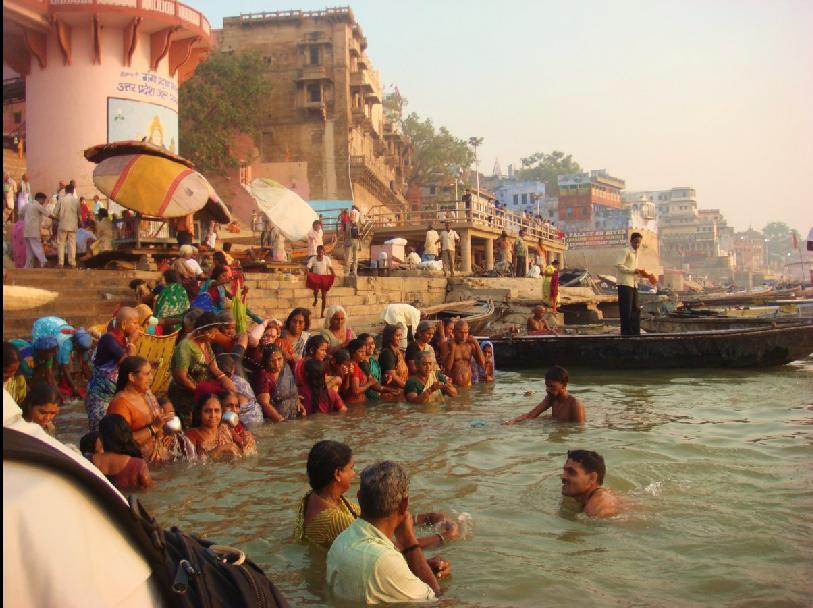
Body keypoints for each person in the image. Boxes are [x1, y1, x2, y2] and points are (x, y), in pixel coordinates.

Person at [3, 388, 166, 606]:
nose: (49, 419)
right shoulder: (133, 465)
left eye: (53, 413)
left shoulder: (85, 459)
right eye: (44, 413)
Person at [326, 461, 451, 603]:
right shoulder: (383, 561)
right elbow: (436, 598)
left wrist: (417, 567)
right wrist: (409, 540)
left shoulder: (341, 540)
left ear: (359, 498)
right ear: (404, 504)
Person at [297, 441, 456, 551]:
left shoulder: (318, 497)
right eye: (351, 468)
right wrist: (443, 537)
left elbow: (374, 517)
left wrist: (423, 519)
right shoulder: (334, 520)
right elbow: (387, 548)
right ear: (338, 474)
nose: (354, 474)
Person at [167, 312, 236, 421]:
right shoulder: (185, 346)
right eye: (210, 333)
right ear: (199, 330)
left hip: (201, 394)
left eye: (214, 333)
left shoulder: (205, 342)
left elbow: (212, 365)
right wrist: (199, 391)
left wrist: (223, 378)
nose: (213, 336)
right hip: (185, 397)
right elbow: (180, 376)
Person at [107, 356, 177, 463]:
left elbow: (159, 422)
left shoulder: (146, 394)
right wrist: (153, 428)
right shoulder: (120, 404)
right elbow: (121, 442)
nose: (151, 378)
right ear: (131, 377)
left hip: (158, 459)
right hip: (137, 465)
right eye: (147, 374)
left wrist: (168, 435)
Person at [85, 307, 140, 431]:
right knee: (101, 438)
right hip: (100, 399)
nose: (138, 327)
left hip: (114, 398)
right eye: (135, 323)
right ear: (124, 324)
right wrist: (132, 343)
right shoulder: (108, 339)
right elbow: (128, 364)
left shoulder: (123, 340)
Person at [91, 414, 154, 492]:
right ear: (127, 435)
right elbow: (149, 490)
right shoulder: (138, 465)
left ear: (100, 437)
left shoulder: (88, 460)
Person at [504, 366, 585, 424]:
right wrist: (512, 421)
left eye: (552, 386)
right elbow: (531, 415)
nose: (548, 389)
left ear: (564, 385)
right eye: (547, 385)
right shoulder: (551, 398)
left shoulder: (575, 404)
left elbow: (578, 431)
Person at [616, 232, 657, 336]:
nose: (637, 245)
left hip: (633, 284)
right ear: (631, 241)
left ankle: (635, 332)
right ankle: (626, 333)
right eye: (635, 242)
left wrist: (644, 275)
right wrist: (633, 271)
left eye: (639, 243)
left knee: (635, 309)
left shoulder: (635, 254)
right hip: (624, 284)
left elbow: (634, 271)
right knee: (626, 310)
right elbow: (618, 265)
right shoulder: (625, 251)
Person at [560, 450, 619, 518]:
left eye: (571, 472)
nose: (563, 477)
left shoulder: (599, 506)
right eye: (565, 470)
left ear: (592, 478)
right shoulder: (591, 497)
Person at [184, 392, 242, 461]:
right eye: (207, 411)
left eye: (217, 411)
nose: (213, 415)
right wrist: (219, 450)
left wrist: (248, 439)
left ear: (221, 412)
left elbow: (243, 447)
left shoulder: (226, 429)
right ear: (199, 414)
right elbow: (191, 463)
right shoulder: (191, 435)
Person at [253, 344, 303, 422]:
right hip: (272, 420)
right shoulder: (263, 375)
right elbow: (264, 403)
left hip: (291, 414)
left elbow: (292, 390)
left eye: (279, 359)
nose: (277, 364)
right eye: (272, 361)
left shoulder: (286, 368)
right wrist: (279, 419)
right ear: (266, 361)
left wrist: (296, 400)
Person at [444, 320, 484, 387]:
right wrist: (453, 349)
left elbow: (482, 363)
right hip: (453, 385)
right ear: (454, 332)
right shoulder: (448, 344)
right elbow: (447, 368)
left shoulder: (470, 345)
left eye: (466, 333)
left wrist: (476, 343)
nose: (464, 336)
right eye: (461, 333)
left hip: (467, 385)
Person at [218, 390, 257, 456]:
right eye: (228, 406)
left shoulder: (239, 425)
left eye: (237, 406)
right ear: (220, 408)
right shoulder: (218, 427)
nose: (234, 409)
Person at [55, 183, 82, 268]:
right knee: (72, 244)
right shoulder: (76, 201)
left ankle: (61, 263)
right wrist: (80, 222)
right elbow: (79, 214)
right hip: (73, 225)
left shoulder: (61, 200)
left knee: (61, 243)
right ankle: (72, 263)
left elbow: (55, 213)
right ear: (73, 190)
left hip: (62, 224)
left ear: (65, 191)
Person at [22, 192, 51, 268]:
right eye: (43, 200)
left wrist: (26, 220)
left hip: (26, 231)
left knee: (29, 251)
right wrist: (58, 219)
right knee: (37, 246)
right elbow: (48, 214)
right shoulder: (38, 205)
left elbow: (20, 213)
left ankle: (27, 267)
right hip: (34, 231)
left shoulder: (27, 205)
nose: (44, 202)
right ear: (39, 199)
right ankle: (44, 262)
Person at [306, 244, 336, 318]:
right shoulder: (313, 258)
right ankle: (316, 299)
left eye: (322, 252)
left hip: (324, 278)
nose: (320, 254)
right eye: (319, 252)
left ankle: (322, 313)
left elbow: (330, 268)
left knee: (324, 297)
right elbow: (308, 267)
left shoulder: (327, 259)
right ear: (317, 252)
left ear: (324, 252)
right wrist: (307, 272)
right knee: (315, 292)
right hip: (316, 278)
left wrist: (333, 274)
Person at [378, 324, 408, 394]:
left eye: (401, 335)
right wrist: (408, 388)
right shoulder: (387, 353)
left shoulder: (398, 352)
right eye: (397, 336)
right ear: (389, 337)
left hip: (399, 391)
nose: (400, 338)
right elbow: (393, 377)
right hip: (391, 394)